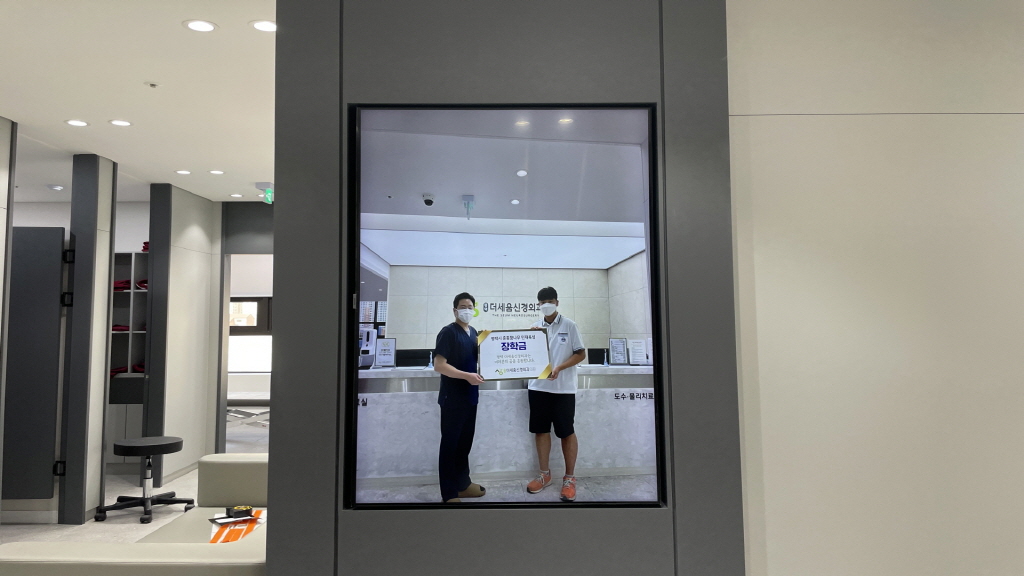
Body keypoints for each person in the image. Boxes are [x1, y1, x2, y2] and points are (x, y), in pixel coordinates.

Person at [526, 286, 587, 501]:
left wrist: (560, 367)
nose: (546, 305)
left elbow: (581, 353)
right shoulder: (535, 328)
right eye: (543, 302)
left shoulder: (570, 325)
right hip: (538, 387)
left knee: (566, 432)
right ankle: (544, 475)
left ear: (557, 303)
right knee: (541, 431)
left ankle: (569, 478)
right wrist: (529, 340)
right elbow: (527, 356)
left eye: (550, 301)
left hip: (563, 389)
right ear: (538, 304)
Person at [432, 292, 486, 503]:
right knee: (450, 446)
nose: (467, 310)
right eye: (463, 307)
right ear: (455, 310)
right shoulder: (448, 332)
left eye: (470, 307)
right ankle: (449, 493)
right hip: (453, 399)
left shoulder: (473, 333)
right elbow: (439, 365)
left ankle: (463, 485)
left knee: (464, 444)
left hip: (470, 397)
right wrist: (467, 376)